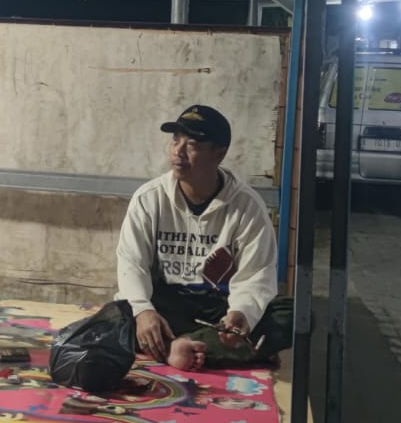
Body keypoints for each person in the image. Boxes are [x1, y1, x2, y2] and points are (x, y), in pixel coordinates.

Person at [115, 104, 293, 370]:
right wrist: (143, 310)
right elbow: (132, 263)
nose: (178, 151)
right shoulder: (149, 199)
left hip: (219, 309)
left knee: (292, 316)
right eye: (175, 141)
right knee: (115, 317)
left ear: (219, 153)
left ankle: (178, 347)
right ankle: (219, 351)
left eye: (192, 144)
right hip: (168, 304)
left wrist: (241, 312)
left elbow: (257, 274)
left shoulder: (248, 207)